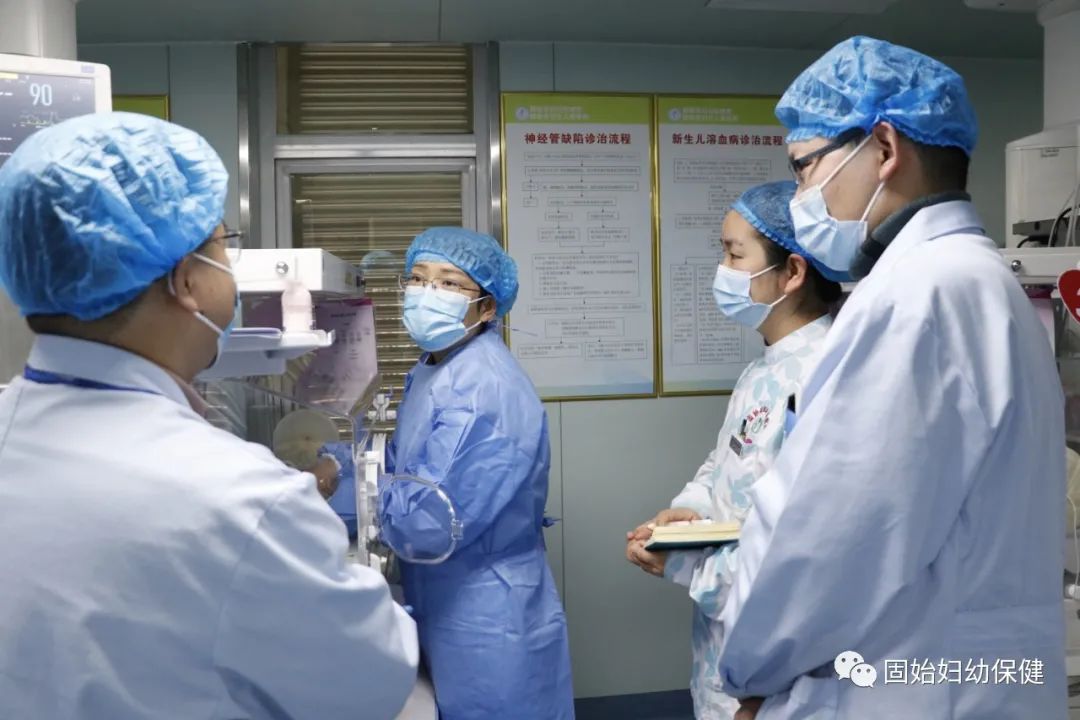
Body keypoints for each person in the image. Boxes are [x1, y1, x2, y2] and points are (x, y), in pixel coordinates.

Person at [0, 112, 418, 719]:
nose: (231, 267)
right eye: (224, 244)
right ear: (186, 281)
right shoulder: (243, 500)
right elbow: (373, 680)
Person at [713, 37, 1066, 719]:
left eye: (804, 168)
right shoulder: (979, 280)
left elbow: (832, 540)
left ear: (883, 147)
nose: (801, 198)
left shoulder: (918, 295)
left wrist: (751, 670)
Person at [625, 181, 842, 719]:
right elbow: (726, 463)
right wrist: (689, 511)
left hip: (777, 670)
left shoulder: (826, 377)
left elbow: (806, 551)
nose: (721, 270)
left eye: (734, 254)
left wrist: (686, 566)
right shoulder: (764, 369)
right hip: (725, 651)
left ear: (793, 272)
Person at [378, 227, 575, 720]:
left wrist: (360, 498)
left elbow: (430, 523)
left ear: (486, 308)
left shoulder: (484, 387)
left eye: (449, 283)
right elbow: (404, 466)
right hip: (446, 594)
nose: (427, 293)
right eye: (417, 278)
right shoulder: (434, 367)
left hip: (487, 610)